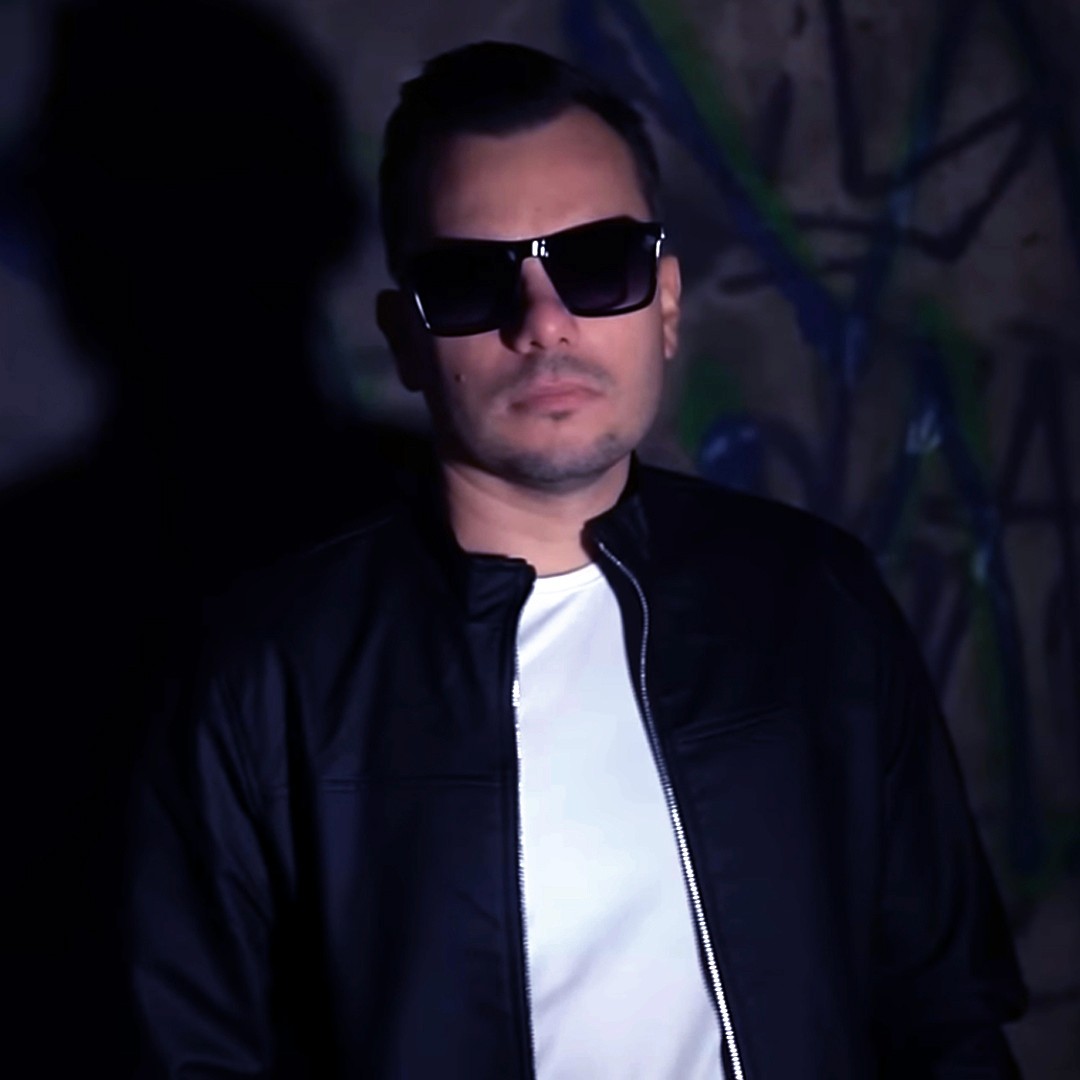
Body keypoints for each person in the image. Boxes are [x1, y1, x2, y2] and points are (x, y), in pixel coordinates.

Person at [129, 41, 1026, 1079]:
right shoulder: (269, 672)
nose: (544, 322)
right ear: (408, 338)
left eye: (599, 262)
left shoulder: (814, 603)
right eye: (470, 280)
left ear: (668, 302)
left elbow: (944, 1015)